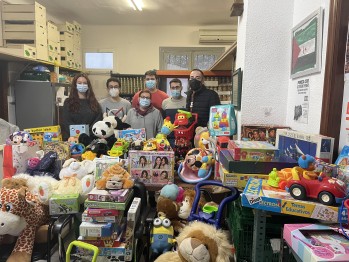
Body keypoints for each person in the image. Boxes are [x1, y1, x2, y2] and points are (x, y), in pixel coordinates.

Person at [61, 73, 102, 140]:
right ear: (75, 85)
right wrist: (76, 135)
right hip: (73, 139)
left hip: (90, 138)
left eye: (85, 83)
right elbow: (66, 121)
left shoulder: (94, 103)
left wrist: (86, 135)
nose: (82, 85)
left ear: (88, 85)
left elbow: (97, 121)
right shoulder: (68, 102)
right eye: (79, 83)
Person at [162, 78, 186, 147]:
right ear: (170, 88)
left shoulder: (187, 101)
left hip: (183, 137)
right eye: (173, 87)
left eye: (177, 87)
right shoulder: (165, 102)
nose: (175, 89)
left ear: (181, 88)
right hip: (169, 137)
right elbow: (164, 119)